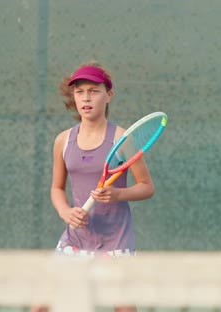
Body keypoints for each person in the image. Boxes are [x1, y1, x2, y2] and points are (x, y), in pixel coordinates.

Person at [48, 61, 154, 312]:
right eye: (79, 92)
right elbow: (56, 188)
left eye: (93, 91)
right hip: (74, 241)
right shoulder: (63, 141)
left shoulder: (122, 139)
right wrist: (65, 212)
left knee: (124, 308)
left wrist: (117, 193)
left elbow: (147, 186)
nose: (86, 98)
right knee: (42, 304)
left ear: (108, 95)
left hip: (116, 241)